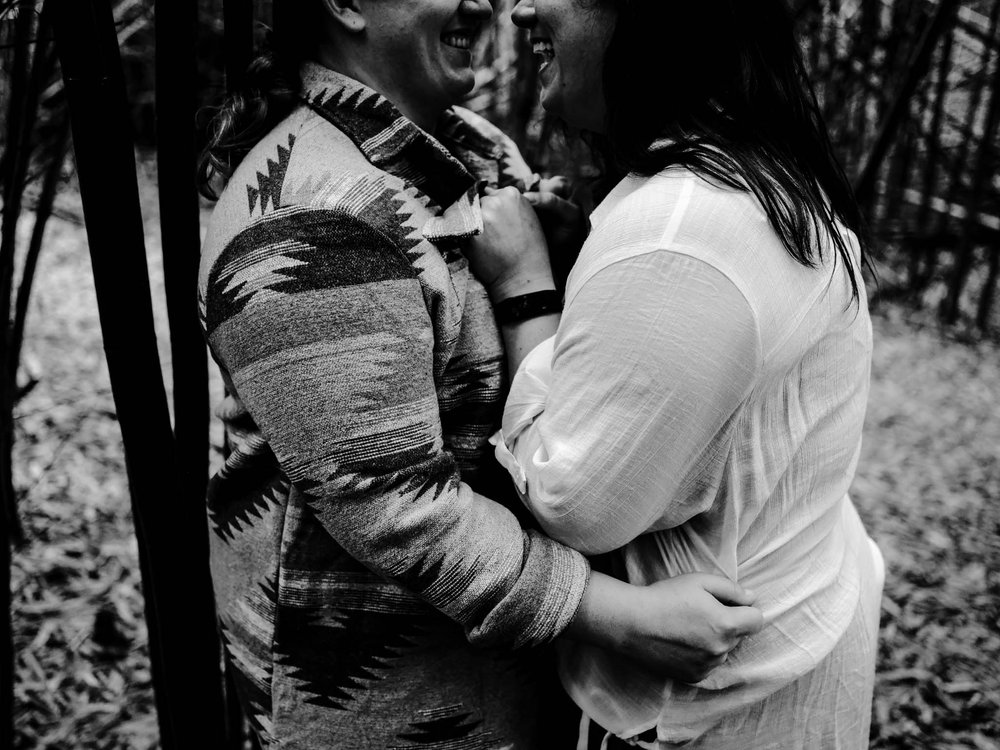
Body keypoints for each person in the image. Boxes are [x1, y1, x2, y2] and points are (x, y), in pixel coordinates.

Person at [196, 1, 764, 748]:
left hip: (499, 678)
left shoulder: (470, 146)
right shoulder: (309, 214)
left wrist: (564, 251)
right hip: (377, 704)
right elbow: (393, 504)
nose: (485, 1)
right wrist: (622, 618)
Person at [466, 0, 886, 748]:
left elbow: (574, 499)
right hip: (789, 657)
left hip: (718, 708)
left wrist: (527, 289)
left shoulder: (684, 224)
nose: (523, 7)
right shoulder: (747, 171)